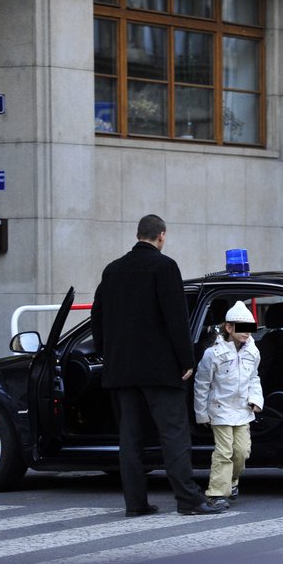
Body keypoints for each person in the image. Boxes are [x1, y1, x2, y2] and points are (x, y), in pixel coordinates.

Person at [91, 214, 226, 517]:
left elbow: (97, 318)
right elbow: (176, 319)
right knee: (174, 435)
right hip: (161, 369)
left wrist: (107, 354)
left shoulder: (112, 270)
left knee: (131, 439)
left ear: (138, 235)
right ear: (161, 236)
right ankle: (188, 500)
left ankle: (135, 503)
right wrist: (186, 360)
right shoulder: (165, 267)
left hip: (122, 371)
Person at [193, 300, 264, 508]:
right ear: (229, 327)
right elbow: (202, 384)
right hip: (220, 409)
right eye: (241, 329)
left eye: (250, 330)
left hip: (243, 409)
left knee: (242, 451)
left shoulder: (253, 352)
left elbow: (254, 378)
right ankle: (216, 492)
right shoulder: (213, 354)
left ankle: (231, 482)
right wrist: (202, 413)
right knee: (224, 451)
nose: (246, 334)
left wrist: (256, 400)